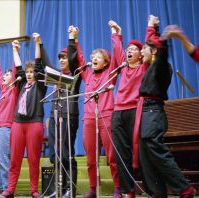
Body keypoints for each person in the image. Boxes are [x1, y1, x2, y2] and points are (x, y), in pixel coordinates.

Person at [138, 16, 197, 198]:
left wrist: (162, 38)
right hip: (147, 112)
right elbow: (154, 45)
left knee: (155, 149)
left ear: (154, 51)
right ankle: (157, 192)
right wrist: (154, 29)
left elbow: (161, 51)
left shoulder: (161, 66)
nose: (141, 53)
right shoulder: (150, 67)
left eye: (144, 49)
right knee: (146, 154)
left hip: (153, 111)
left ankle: (184, 187)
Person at [67, 24, 121, 198]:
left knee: (112, 157)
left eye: (98, 57)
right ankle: (92, 188)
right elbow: (80, 59)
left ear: (106, 61)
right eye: (93, 57)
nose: (94, 59)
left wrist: (115, 34)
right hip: (89, 119)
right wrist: (74, 38)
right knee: (91, 159)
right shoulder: (87, 74)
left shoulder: (110, 72)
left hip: (106, 116)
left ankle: (118, 188)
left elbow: (117, 57)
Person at [110, 15, 160, 197]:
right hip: (118, 113)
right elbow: (117, 50)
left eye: (133, 50)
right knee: (121, 154)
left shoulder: (144, 67)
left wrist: (150, 27)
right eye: (128, 49)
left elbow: (150, 44)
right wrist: (116, 33)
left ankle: (152, 190)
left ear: (141, 54)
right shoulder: (123, 68)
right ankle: (127, 191)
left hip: (136, 111)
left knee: (142, 154)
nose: (129, 52)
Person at [0, 34, 47, 198]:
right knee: (15, 159)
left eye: (32, 72)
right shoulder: (21, 83)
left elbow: (39, 65)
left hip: (34, 123)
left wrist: (38, 44)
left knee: (33, 159)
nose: (30, 74)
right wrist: (15, 50)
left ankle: (34, 190)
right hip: (18, 124)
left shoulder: (40, 85)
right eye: (28, 72)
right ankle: (10, 189)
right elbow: (18, 68)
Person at [40, 27, 82, 198]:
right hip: (55, 116)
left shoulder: (75, 74)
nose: (62, 60)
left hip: (69, 116)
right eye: (60, 58)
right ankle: (60, 187)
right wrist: (40, 44)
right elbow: (46, 64)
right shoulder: (56, 75)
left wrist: (72, 40)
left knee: (67, 152)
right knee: (56, 154)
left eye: (64, 57)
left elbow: (74, 59)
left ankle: (70, 189)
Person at [0, 43, 19, 195]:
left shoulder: (13, 89)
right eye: (4, 75)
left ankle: (6, 188)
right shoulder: (3, 89)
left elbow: (15, 71)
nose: (4, 76)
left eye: (7, 75)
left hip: (6, 127)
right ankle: (0, 186)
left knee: (3, 159)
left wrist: (14, 50)